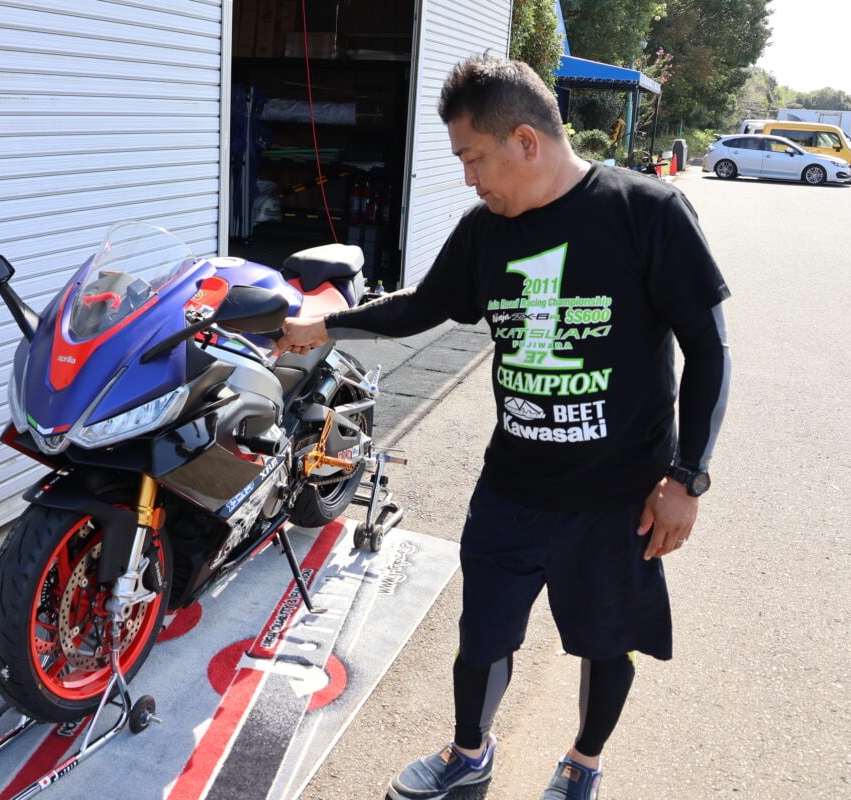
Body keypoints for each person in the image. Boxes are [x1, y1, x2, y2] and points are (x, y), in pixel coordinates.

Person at [279, 55, 730, 800]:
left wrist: (687, 479)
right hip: (512, 489)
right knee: (482, 635)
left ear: (525, 140)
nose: (468, 179)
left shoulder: (645, 211)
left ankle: (583, 764)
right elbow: (421, 307)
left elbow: (709, 350)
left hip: (618, 499)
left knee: (607, 643)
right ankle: (468, 755)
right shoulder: (485, 231)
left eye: (473, 158)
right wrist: (327, 325)